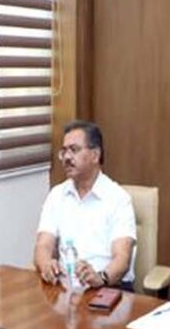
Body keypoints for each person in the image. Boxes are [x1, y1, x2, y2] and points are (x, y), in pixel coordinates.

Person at [33, 120, 136, 291]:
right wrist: (46, 265)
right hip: (65, 287)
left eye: (74, 150)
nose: (67, 157)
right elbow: (43, 245)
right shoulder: (57, 195)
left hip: (107, 287)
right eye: (64, 151)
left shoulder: (118, 199)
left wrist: (101, 277)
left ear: (95, 155)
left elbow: (122, 258)